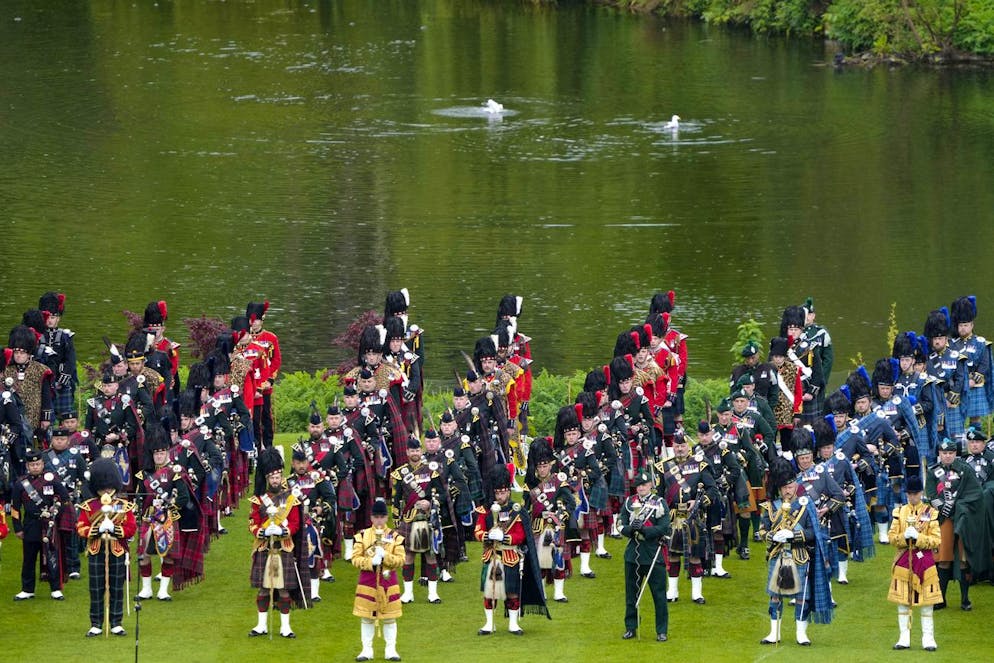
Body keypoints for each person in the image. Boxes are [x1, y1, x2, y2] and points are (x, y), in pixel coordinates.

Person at [759, 457, 833, 646]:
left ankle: (801, 634)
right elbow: (762, 531)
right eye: (784, 487)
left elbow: (812, 533)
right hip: (778, 555)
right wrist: (773, 536)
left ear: (795, 484)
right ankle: (773, 632)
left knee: (802, 597)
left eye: (790, 485)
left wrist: (793, 535)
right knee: (775, 596)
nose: (788, 490)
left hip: (800, 556)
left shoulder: (805, 504)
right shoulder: (770, 507)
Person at [474, 463, 549, 636]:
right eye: (497, 492)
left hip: (509, 556)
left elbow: (521, 536)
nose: (500, 495)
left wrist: (505, 538)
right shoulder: (485, 509)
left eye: (503, 492)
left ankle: (513, 624)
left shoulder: (517, 511)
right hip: (491, 555)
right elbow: (477, 531)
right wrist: (487, 536)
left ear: (508, 491)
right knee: (489, 592)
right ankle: (489, 623)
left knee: (512, 591)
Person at [76, 457, 138, 637]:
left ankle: (116, 622)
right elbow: (80, 527)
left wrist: (114, 529)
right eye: (103, 488)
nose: (106, 491)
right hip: (96, 550)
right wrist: (96, 529)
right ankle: (96, 623)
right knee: (96, 588)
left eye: (109, 488)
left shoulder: (123, 506)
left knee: (116, 588)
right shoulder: (88, 506)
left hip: (117, 549)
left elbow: (131, 528)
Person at [248, 447, 304, 638]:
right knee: (264, 588)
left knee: (284, 589)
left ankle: (285, 627)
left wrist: (283, 530)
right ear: (266, 478)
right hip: (265, 547)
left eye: (278, 476)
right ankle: (261, 625)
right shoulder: (258, 500)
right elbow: (252, 523)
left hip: (283, 548)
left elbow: (296, 524)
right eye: (272, 477)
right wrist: (262, 531)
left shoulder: (290, 499)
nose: (275, 480)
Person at [926, 437, 987, 610]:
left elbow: (975, 493)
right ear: (939, 453)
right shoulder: (933, 471)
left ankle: (965, 599)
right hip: (943, 519)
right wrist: (943, 505)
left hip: (962, 519)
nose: (947, 456)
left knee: (963, 560)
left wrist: (958, 505)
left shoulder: (965, 470)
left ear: (955, 453)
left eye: (950, 453)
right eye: (944, 453)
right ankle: (940, 599)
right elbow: (930, 494)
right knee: (943, 559)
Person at [657, 432, 719, 604]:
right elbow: (659, 494)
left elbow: (712, 489)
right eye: (676, 446)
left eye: (682, 446)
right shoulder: (663, 467)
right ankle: (672, 591)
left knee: (695, 555)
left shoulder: (700, 465)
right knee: (673, 554)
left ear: (688, 447)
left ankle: (697, 593)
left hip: (693, 516)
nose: (679, 449)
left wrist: (698, 501)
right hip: (673, 517)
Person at [887, 472, 941, 651]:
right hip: (904, 560)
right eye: (909, 493)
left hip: (924, 561)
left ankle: (928, 638)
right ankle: (904, 637)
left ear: (921, 493)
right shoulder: (899, 512)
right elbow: (892, 537)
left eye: (915, 493)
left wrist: (919, 538)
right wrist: (904, 537)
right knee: (903, 601)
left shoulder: (931, 513)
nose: (912, 497)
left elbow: (936, 540)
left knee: (927, 603)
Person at [391, 436, 446, 604]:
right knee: (408, 556)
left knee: (430, 555)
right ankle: (408, 594)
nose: (415, 453)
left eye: (417, 450)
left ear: (421, 451)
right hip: (409, 518)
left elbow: (443, 494)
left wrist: (429, 503)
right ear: (407, 452)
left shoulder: (431, 470)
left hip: (426, 518)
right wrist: (396, 521)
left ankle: (433, 594)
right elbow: (396, 499)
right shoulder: (400, 473)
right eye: (412, 450)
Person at [11, 447, 71, 600]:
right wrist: (18, 528)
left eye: (38, 464)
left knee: (52, 557)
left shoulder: (52, 479)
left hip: (49, 525)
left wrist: (56, 512)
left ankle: (55, 589)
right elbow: (15, 509)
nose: (35, 467)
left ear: (43, 464)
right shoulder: (20, 484)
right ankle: (27, 589)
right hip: (30, 524)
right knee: (29, 558)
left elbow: (65, 499)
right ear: (27, 466)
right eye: (32, 465)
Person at [620, 469, 671, 642]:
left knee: (659, 595)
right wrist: (631, 529)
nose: (641, 488)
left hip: (653, 554)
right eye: (638, 485)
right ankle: (631, 627)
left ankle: (661, 630)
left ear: (650, 485)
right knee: (631, 594)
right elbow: (620, 525)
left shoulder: (660, 503)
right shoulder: (629, 502)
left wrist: (644, 530)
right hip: (632, 554)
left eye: (644, 484)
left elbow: (664, 527)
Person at [353, 497, 405, 662]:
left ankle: (391, 649)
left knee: (390, 617)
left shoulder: (396, 537)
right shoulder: (362, 536)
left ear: (386, 518)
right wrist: (370, 562)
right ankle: (366, 650)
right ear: (371, 518)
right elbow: (355, 559)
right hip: (367, 581)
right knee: (366, 617)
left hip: (388, 581)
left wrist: (386, 557)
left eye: (382, 517)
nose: (379, 520)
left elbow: (401, 560)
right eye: (376, 517)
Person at [522, 437, 574, 603]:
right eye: (540, 466)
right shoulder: (530, 484)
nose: (543, 470)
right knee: (540, 562)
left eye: (545, 466)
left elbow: (571, 502)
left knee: (558, 560)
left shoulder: (559, 481)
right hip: (538, 526)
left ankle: (559, 592)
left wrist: (560, 516)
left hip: (556, 526)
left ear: (550, 464)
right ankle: (542, 592)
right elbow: (525, 506)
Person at [37, 292, 78, 419]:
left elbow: (70, 360)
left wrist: (62, 380)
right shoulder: (36, 336)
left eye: (53, 317)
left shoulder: (65, 336)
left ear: (58, 318)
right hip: (42, 378)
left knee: (65, 417)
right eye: (48, 317)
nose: (50, 320)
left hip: (61, 381)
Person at [247, 301, 280, 450]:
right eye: (251, 320)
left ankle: (268, 445)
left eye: (257, 320)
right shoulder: (244, 337)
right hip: (248, 385)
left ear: (262, 319)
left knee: (266, 416)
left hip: (264, 384)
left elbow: (276, 361)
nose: (254, 323)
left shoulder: (270, 338)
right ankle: (254, 445)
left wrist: (269, 380)